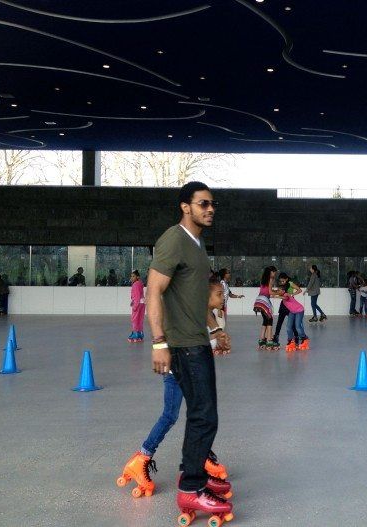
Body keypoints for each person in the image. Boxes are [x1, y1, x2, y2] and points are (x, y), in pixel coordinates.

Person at [147, 181, 234, 522]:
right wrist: (158, 341)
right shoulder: (174, 239)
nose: (210, 208)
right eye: (202, 204)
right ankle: (191, 489)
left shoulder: (198, 245)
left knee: (203, 413)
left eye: (212, 204)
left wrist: (214, 330)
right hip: (182, 344)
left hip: (197, 339)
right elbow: (154, 290)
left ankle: (192, 474)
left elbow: (194, 297)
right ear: (185, 206)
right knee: (203, 414)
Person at [118, 278, 232, 500]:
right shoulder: (187, 312)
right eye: (219, 294)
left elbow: (207, 314)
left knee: (201, 415)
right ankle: (141, 458)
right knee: (170, 415)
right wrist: (217, 341)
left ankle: (201, 459)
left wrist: (217, 332)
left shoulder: (199, 307)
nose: (223, 297)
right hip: (176, 370)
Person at [278, 273, 309, 351]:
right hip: (292, 311)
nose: (278, 291)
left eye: (280, 290)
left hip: (299, 310)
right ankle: (290, 341)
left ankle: (304, 338)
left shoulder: (287, 295)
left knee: (298, 326)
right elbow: (278, 294)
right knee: (289, 327)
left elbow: (284, 297)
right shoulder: (283, 293)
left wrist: (275, 296)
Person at [254, 266, 280, 351]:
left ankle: (262, 340)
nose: (275, 274)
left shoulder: (263, 279)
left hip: (259, 300)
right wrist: (278, 292)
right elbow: (270, 292)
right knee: (270, 320)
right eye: (274, 272)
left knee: (265, 320)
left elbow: (268, 293)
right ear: (271, 272)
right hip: (264, 300)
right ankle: (269, 340)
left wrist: (276, 293)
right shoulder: (271, 279)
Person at [128, 270, 145, 343]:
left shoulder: (135, 284)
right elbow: (139, 295)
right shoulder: (140, 284)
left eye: (133, 276)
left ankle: (135, 335)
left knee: (135, 320)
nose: (131, 278)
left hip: (137, 304)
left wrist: (135, 306)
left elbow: (137, 296)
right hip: (142, 303)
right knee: (140, 320)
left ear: (138, 277)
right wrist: (133, 301)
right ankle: (140, 334)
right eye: (131, 276)